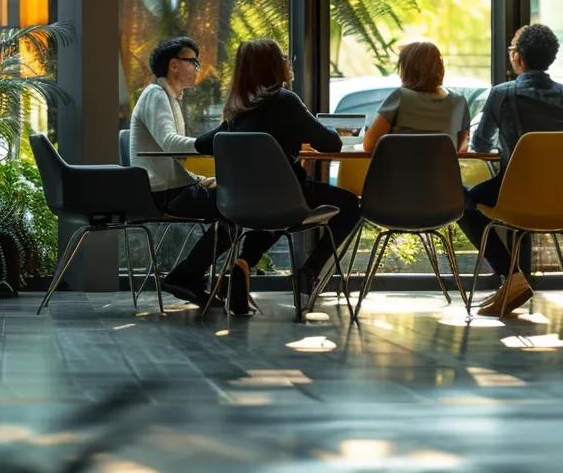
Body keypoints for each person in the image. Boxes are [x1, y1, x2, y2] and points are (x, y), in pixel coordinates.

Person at [191, 39, 362, 315]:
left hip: (241, 202)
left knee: (276, 210)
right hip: (288, 196)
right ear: (273, 66)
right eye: (283, 57)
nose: (288, 61)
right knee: (351, 205)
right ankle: (310, 271)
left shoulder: (238, 109)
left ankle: (244, 263)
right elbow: (331, 144)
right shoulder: (286, 101)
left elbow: (202, 144)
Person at [460, 23, 563, 317]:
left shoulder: (502, 94)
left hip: (517, 193)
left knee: (463, 203)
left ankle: (512, 276)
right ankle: (514, 281)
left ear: (518, 57)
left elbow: (481, 143)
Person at [128, 36, 223, 308]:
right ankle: (186, 276)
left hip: (171, 189)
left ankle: (189, 276)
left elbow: (168, 158)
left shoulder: (168, 97)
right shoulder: (156, 95)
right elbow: (169, 144)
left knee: (234, 207)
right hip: (163, 195)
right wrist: (211, 143)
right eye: (192, 61)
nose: (197, 67)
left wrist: (198, 179)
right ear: (173, 65)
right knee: (237, 207)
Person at [361, 41, 470, 152]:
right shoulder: (459, 103)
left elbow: (369, 146)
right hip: (444, 169)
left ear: (406, 70)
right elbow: (462, 152)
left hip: (400, 169)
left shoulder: (400, 97)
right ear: (439, 68)